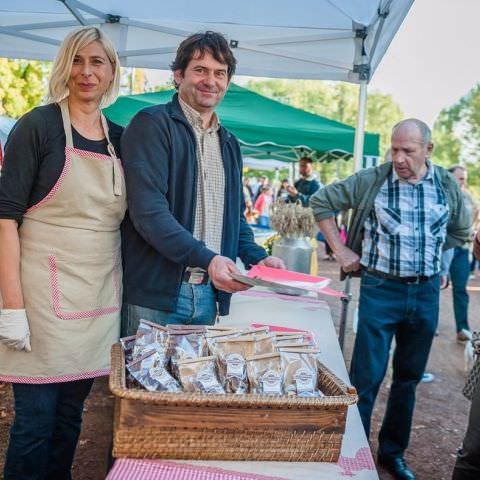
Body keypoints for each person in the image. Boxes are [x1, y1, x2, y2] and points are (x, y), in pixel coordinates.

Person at [311, 119, 470, 480]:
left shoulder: (445, 183)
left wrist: (428, 252)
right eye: (394, 149)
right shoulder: (373, 179)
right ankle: (352, 453)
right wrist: (341, 250)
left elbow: (460, 229)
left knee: (408, 378)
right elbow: (321, 202)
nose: (399, 158)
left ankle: (392, 455)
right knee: (366, 377)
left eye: (408, 151)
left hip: (426, 292)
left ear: (428, 150)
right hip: (381, 290)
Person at [0, 27, 125, 480]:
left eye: (98, 62)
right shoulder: (38, 126)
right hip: (39, 300)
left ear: (113, 72)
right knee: (34, 423)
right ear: (63, 67)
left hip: (97, 298)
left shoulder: (122, 138)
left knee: (71, 417)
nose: (87, 72)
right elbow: (5, 217)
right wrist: (12, 306)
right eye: (77, 60)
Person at [121, 31, 284, 335]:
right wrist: (208, 259)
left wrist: (258, 258)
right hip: (157, 295)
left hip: (208, 295)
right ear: (178, 74)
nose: (211, 81)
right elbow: (149, 214)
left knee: (195, 382)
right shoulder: (151, 125)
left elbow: (233, 219)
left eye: (220, 73)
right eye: (200, 70)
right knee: (141, 384)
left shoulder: (229, 143)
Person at [444, 165, 477, 341]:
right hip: (444, 248)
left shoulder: (469, 197)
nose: (463, 182)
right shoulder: (441, 194)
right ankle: (428, 326)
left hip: (462, 250)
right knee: (433, 287)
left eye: (464, 178)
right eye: (460, 178)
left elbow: (473, 218)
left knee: (460, 290)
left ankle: (462, 328)